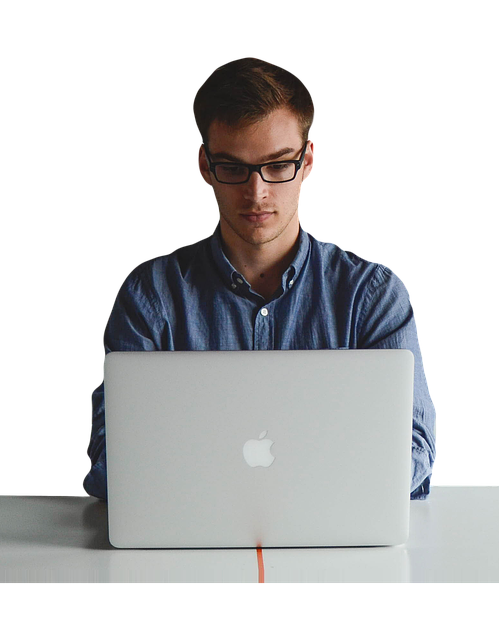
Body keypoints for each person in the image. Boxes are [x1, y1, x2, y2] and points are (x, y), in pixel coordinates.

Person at [83, 57, 436, 500]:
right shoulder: (150, 295)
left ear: (308, 159)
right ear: (204, 166)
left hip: (337, 545)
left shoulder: (372, 296)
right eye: (233, 168)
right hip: (186, 550)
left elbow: (414, 451)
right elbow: (111, 460)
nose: (257, 192)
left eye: (277, 164)